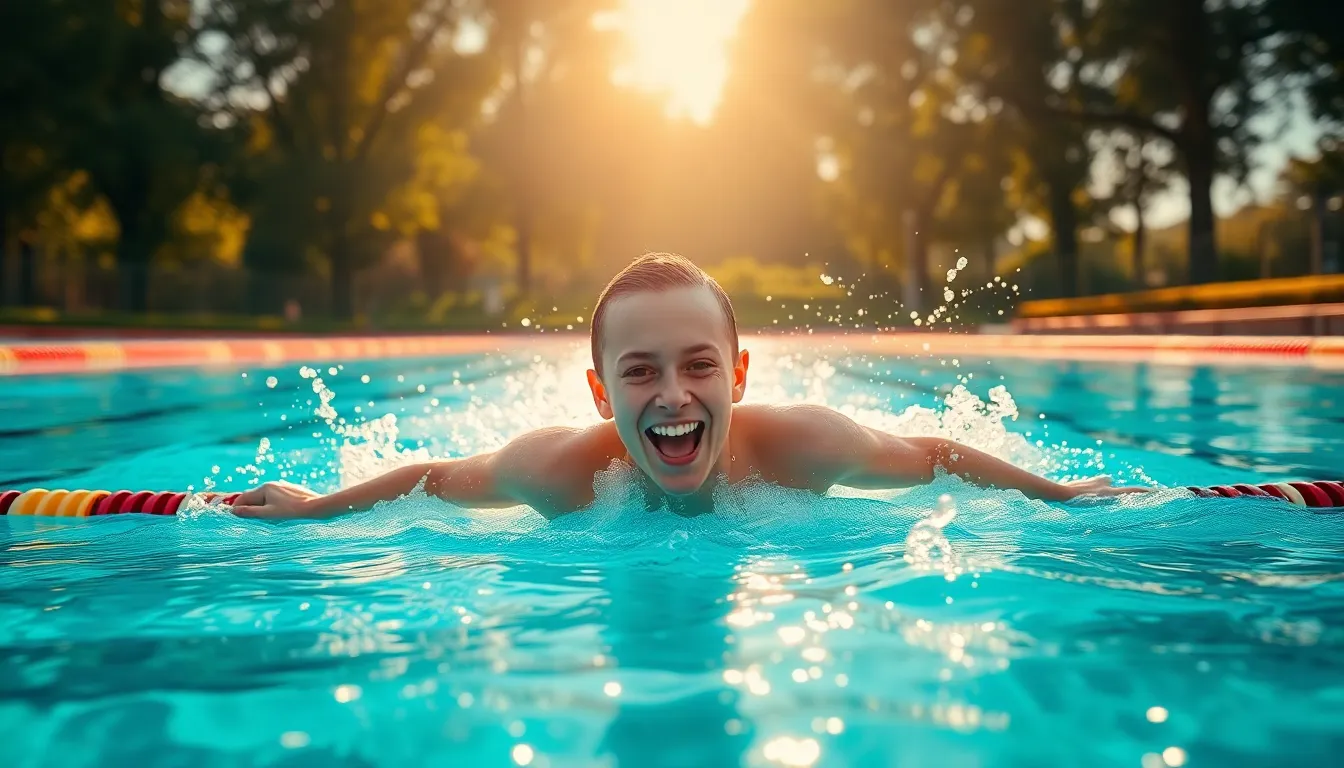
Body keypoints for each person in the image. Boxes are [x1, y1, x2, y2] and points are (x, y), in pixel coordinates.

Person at [231, 253, 1146, 519]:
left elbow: (938, 454)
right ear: (601, 395)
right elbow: (431, 475)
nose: (673, 394)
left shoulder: (800, 447)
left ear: (738, 375)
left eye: (699, 365)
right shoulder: (560, 471)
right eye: (640, 372)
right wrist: (312, 509)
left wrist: (1059, 493)